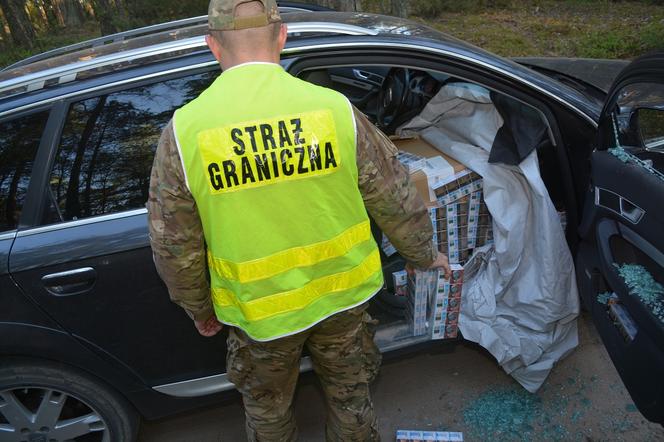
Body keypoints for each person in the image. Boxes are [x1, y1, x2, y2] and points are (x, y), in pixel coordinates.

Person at [147, 0, 451, 440]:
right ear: (283, 36)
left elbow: (174, 246)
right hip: (343, 299)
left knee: (268, 410)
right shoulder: (334, 110)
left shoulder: (184, 132)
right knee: (351, 400)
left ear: (212, 46)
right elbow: (395, 198)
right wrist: (426, 256)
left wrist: (198, 308)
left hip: (259, 315)